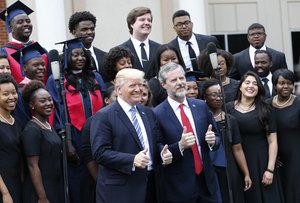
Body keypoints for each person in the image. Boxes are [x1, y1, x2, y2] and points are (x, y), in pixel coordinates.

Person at [91, 68, 167, 203]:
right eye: (133, 85)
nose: (139, 89)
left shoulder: (148, 113)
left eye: (141, 85)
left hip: (150, 187)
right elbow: (100, 153)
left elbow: (155, 142)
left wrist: (162, 153)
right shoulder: (104, 116)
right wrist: (132, 160)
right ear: (119, 89)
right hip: (120, 191)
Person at [46, 38, 105, 203]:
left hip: (98, 135)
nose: (80, 58)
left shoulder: (95, 78)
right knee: (79, 181)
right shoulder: (57, 81)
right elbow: (56, 112)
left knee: (100, 177)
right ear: (66, 58)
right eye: (75, 55)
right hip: (75, 138)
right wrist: (66, 142)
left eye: (82, 55)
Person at [154, 62, 220, 202]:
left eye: (181, 78)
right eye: (174, 80)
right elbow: (158, 148)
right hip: (179, 188)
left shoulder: (201, 106)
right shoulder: (157, 114)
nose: (180, 83)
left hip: (207, 183)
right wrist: (180, 146)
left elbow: (216, 137)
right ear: (163, 84)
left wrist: (213, 141)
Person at [226, 71, 284, 203]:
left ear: (259, 89)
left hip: (261, 161)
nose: (251, 86)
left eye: (255, 84)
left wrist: (270, 169)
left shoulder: (265, 110)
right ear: (240, 86)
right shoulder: (228, 108)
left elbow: (273, 141)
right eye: (247, 82)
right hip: (238, 162)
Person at [201, 79, 252, 203]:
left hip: (230, 167)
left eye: (220, 94)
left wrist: (246, 173)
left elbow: (237, 148)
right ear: (204, 98)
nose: (218, 98)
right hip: (210, 169)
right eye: (214, 95)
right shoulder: (200, 120)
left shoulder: (230, 120)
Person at [21, 80, 63, 203]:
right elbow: (32, 166)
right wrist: (42, 197)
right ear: (32, 105)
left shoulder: (48, 126)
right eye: (42, 101)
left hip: (54, 187)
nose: (48, 103)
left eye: (50, 99)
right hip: (40, 191)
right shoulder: (32, 130)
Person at [268, 69, 300, 202]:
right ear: (275, 85)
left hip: (296, 157)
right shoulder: (266, 104)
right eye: (281, 83)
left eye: (289, 83)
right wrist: (272, 158)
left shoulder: (298, 103)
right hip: (274, 159)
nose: (286, 86)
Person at [0, 1, 49, 84]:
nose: (26, 24)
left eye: (28, 21)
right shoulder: (4, 52)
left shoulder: (42, 51)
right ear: (11, 28)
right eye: (20, 22)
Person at [118, 7, 161, 79]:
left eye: (149, 20)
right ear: (132, 24)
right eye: (142, 20)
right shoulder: (120, 50)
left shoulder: (160, 49)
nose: (147, 23)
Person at [0, 73, 22, 203]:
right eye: (5, 94)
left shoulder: (17, 122)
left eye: (14, 92)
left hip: (18, 184)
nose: (11, 97)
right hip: (3, 187)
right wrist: (5, 192)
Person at [68, 11, 107, 80]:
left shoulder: (105, 56)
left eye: (92, 29)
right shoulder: (65, 58)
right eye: (84, 29)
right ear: (74, 32)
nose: (89, 32)